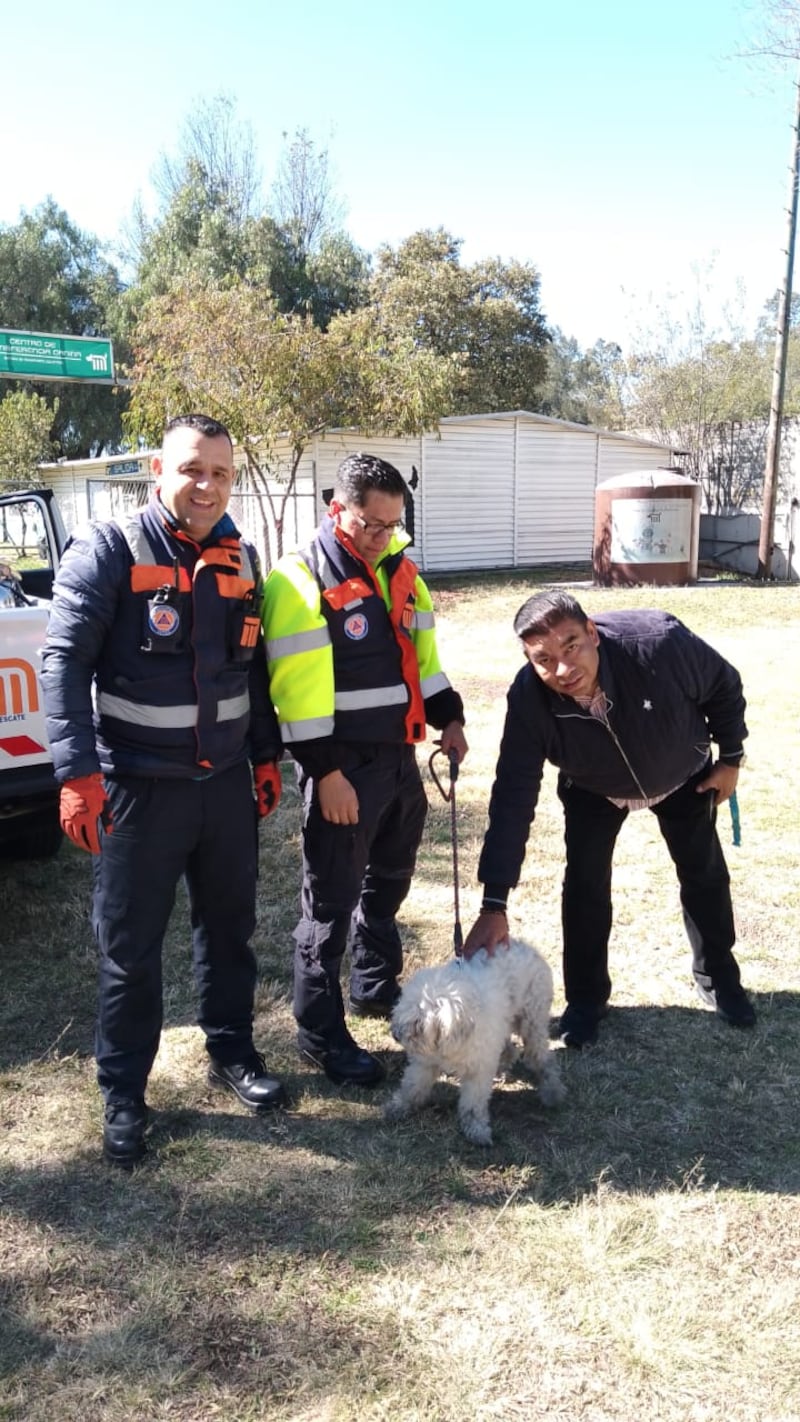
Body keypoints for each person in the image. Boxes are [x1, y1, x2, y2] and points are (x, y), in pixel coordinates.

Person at [41, 414, 287, 1168]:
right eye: (192, 469)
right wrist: (75, 774)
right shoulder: (110, 548)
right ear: (159, 469)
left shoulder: (241, 553)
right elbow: (61, 663)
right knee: (130, 952)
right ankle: (123, 1093)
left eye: (220, 472)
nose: (206, 485)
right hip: (136, 791)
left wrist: (267, 755)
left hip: (224, 789)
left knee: (229, 931)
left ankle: (233, 1051)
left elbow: (252, 667)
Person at [462, 588, 755, 1048]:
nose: (561, 669)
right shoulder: (529, 698)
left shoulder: (659, 642)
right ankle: (585, 1002)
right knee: (584, 888)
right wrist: (494, 903)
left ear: (592, 633)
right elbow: (513, 795)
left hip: (681, 772)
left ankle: (719, 978)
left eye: (571, 646)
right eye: (543, 659)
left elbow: (724, 685)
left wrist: (731, 758)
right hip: (594, 787)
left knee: (704, 875)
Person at [262, 452, 468, 1086]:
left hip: (399, 762)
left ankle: (374, 986)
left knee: (390, 881)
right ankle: (318, 1033)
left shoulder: (403, 572)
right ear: (337, 509)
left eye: (393, 525)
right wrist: (325, 773)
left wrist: (450, 716)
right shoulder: (299, 577)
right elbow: (292, 690)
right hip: (343, 767)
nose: (383, 536)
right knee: (329, 903)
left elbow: (424, 662)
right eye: (370, 524)